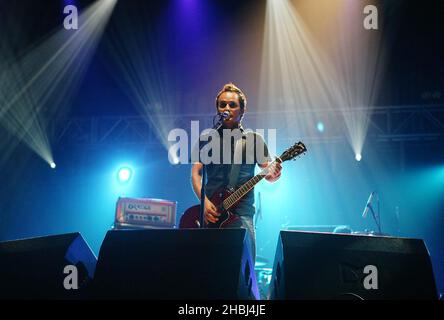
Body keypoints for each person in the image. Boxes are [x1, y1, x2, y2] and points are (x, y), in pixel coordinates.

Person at [190, 83, 282, 260]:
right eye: (222, 104)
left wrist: (275, 172)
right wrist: (205, 203)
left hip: (241, 215)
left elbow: (269, 174)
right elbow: (196, 173)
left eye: (232, 105)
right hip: (211, 213)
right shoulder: (206, 139)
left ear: (242, 111)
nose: (226, 108)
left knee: (242, 271)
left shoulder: (254, 140)